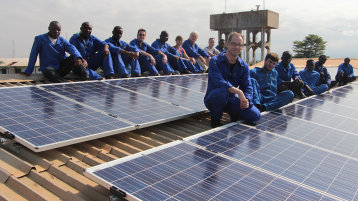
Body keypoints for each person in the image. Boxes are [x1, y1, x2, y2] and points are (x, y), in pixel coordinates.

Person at [204, 32, 261, 128]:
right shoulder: (215, 61)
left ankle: (234, 112)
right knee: (221, 92)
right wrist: (238, 91)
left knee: (255, 116)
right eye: (233, 44)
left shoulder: (244, 66)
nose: (236, 47)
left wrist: (246, 100)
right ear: (227, 44)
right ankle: (215, 119)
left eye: (239, 45)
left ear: (242, 47)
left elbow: (248, 86)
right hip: (214, 98)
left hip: (230, 100)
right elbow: (219, 82)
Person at [23, 21, 91, 82]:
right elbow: (33, 54)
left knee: (75, 57)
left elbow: (72, 48)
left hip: (62, 68)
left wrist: (79, 58)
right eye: (54, 29)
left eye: (59, 30)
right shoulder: (40, 39)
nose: (56, 31)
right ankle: (63, 82)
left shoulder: (62, 40)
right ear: (49, 28)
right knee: (48, 70)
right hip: (50, 69)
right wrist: (29, 70)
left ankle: (85, 77)